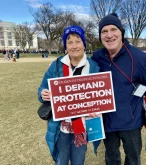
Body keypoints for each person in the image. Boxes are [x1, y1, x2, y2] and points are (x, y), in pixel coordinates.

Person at [91, 13, 146, 165]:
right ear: (100, 36)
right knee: (111, 159)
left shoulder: (139, 57)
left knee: (133, 160)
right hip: (107, 121)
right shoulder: (96, 57)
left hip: (131, 122)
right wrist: (59, 66)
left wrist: (133, 94)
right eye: (104, 31)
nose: (109, 35)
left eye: (113, 29)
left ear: (121, 32)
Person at [38, 25, 100, 165]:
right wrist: (43, 93)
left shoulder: (94, 67)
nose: (74, 46)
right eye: (69, 42)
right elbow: (42, 88)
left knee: (79, 161)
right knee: (61, 161)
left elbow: (100, 94)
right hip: (61, 127)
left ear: (84, 44)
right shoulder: (56, 65)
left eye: (78, 41)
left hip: (82, 126)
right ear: (65, 46)